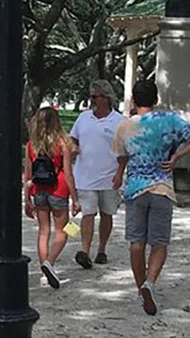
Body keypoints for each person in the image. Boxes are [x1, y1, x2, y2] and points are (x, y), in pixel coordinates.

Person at [112, 80, 190, 315]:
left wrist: (118, 176)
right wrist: (176, 156)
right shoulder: (170, 120)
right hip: (162, 188)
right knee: (159, 242)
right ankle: (150, 283)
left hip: (135, 188)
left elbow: (121, 157)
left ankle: (139, 287)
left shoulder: (125, 126)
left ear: (134, 100)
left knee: (136, 242)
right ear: (156, 100)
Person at [69, 80, 126, 269]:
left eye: (95, 96)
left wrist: (119, 174)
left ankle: (102, 249)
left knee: (107, 214)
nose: (91, 100)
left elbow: (125, 152)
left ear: (106, 98)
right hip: (85, 175)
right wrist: (74, 147)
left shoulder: (119, 121)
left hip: (109, 176)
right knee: (88, 214)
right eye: (90, 96)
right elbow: (72, 138)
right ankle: (85, 250)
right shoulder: (83, 118)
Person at [24, 107, 80, 289]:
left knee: (43, 232)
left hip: (39, 190)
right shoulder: (63, 143)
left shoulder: (32, 145)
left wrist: (27, 199)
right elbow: (69, 173)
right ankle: (49, 262)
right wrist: (75, 199)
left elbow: (27, 174)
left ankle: (43, 273)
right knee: (62, 231)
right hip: (59, 188)